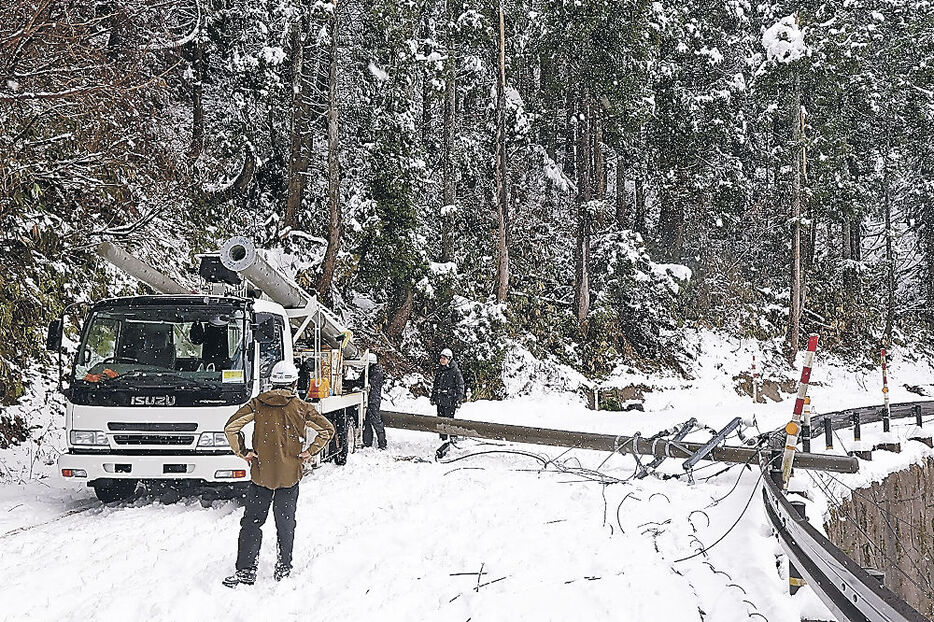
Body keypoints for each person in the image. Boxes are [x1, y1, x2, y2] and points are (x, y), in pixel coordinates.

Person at [221, 361, 335, 587]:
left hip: (261, 475)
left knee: (252, 523)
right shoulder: (302, 407)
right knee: (285, 523)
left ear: (272, 382)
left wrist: (243, 451)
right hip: (289, 476)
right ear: (294, 383)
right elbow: (327, 430)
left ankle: (246, 570)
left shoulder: (257, 404)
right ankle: (284, 566)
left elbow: (231, 427)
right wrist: (309, 452)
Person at [431, 347, 464, 443]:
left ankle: (453, 438)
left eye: (444, 358)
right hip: (440, 399)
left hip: (450, 399)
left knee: (449, 420)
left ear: (449, 359)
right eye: (441, 358)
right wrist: (433, 396)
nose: (442, 360)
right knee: (440, 420)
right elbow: (436, 384)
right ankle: (443, 438)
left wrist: (458, 399)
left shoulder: (455, 371)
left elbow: (460, 385)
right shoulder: (439, 370)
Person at [363, 352, 387, 450]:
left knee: (376, 421)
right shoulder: (372, 370)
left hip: (373, 399)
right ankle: (368, 442)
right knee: (367, 421)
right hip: (372, 398)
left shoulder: (376, 371)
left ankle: (382, 443)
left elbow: (368, 383)